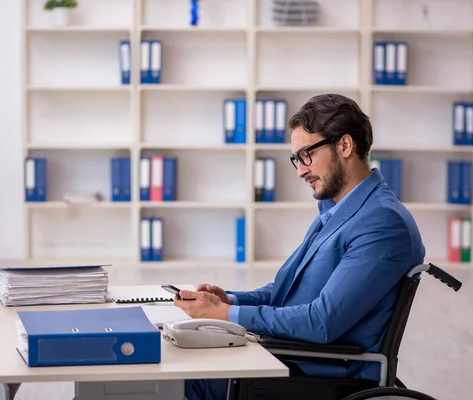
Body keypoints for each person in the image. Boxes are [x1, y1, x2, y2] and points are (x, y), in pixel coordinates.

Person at [174, 93, 426, 400]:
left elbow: (321, 322)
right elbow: (284, 292)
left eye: (306, 155)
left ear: (344, 146)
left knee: (179, 380)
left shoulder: (381, 222)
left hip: (321, 377)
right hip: (294, 359)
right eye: (297, 158)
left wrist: (229, 314)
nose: (300, 171)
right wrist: (229, 300)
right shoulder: (337, 211)